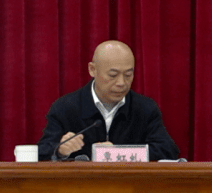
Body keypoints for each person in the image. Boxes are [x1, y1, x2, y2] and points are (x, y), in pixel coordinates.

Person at [37, 40, 179, 161]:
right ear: (93, 70)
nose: (121, 83)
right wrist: (60, 150)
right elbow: (42, 152)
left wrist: (119, 153)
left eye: (128, 75)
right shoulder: (65, 108)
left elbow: (168, 150)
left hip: (130, 189)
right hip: (80, 189)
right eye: (113, 75)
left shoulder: (144, 108)